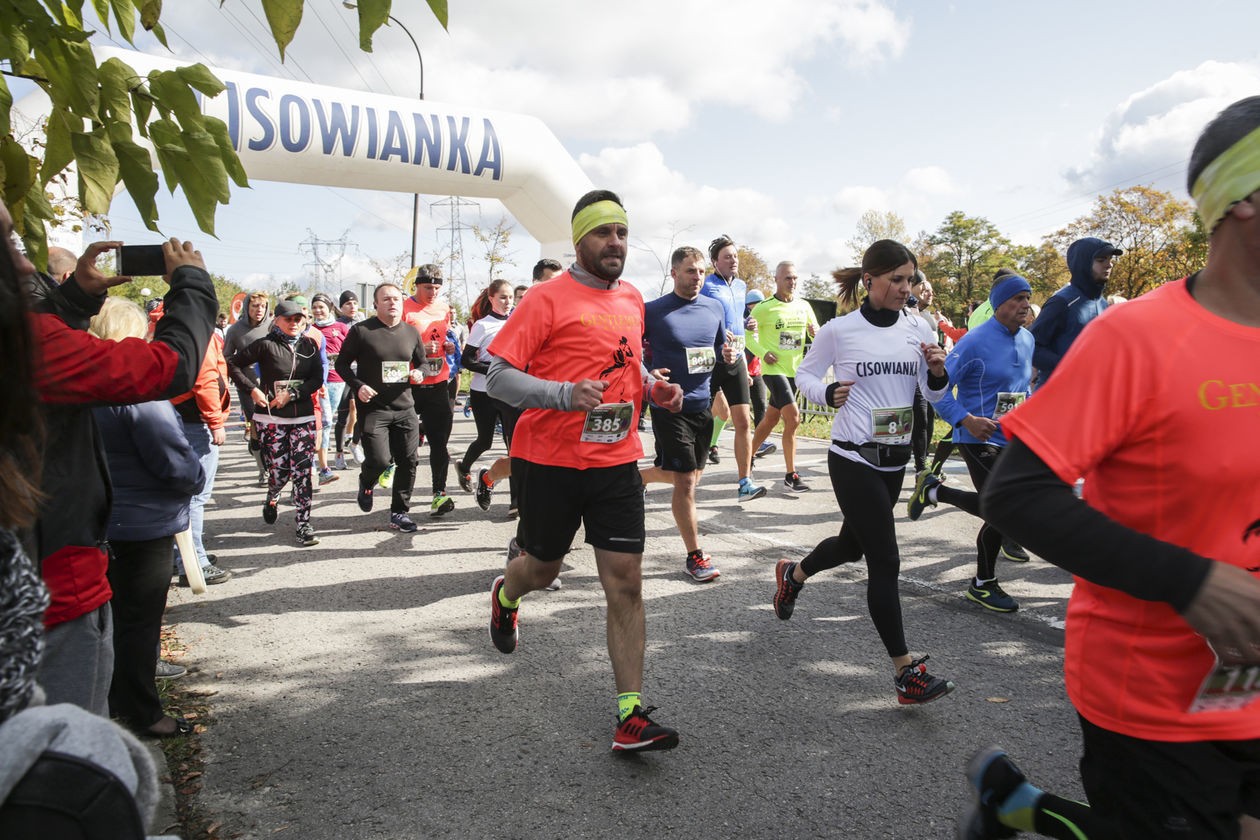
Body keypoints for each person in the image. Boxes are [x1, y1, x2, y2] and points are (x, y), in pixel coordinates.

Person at [958, 96, 1260, 840]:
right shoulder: (1139, 337)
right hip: (1154, 695)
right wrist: (1190, 581)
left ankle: (1017, 807)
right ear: (1245, 200)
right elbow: (1016, 495)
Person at [485, 189, 684, 752]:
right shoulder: (545, 298)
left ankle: (630, 715)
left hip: (616, 460)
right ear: (579, 240)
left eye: (621, 232)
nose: (615, 242)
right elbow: (497, 376)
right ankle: (507, 594)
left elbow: (626, 361)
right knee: (542, 571)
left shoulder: (632, 298)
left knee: (625, 581)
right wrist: (562, 394)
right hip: (549, 461)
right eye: (603, 233)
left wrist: (652, 387)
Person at [23, 219, 216, 716]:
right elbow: (171, 367)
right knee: (73, 729)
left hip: (67, 551)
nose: (23, 259)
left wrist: (72, 300)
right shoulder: (31, 346)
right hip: (62, 572)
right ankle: (137, 715)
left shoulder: (31, 341)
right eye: (9, 243)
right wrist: (193, 284)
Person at [774, 239, 955, 705]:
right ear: (869, 280)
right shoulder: (840, 330)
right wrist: (826, 392)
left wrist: (937, 372)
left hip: (894, 460)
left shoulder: (919, 326)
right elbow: (805, 376)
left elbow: (933, 394)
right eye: (896, 279)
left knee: (851, 546)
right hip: (853, 457)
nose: (905, 288)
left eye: (909, 279)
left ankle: (793, 574)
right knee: (885, 560)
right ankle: (905, 673)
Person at [90, 298, 204, 738]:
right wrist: (196, 478)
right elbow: (175, 463)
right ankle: (143, 714)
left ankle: (110, 700)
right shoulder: (138, 392)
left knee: (108, 620)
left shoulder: (80, 385)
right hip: (141, 523)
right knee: (138, 624)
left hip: (97, 519)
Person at [904, 274, 1034, 613]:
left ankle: (934, 491)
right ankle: (983, 583)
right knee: (1003, 509)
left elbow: (1023, 390)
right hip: (977, 438)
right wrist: (967, 420)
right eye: (1018, 298)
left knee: (1009, 508)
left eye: (1028, 298)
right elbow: (938, 391)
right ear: (999, 303)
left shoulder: (1028, 339)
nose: (1025, 305)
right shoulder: (975, 342)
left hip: (1012, 438)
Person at [639, 245, 734, 581]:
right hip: (669, 407)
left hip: (701, 406)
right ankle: (695, 556)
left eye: (701, 271)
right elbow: (629, 350)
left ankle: (638, 478)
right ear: (674, 273)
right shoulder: (652, 311)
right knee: (685, 482)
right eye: (690, 271)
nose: (697, 277)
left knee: (691, 477)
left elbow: (719, 350)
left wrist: (728, 356)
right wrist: (648, 373)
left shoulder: (714, 307)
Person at [227, 299, 325, 547]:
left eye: (298, 319)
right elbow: (232, 364)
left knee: (302, 471)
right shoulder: (265, 344)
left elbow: (317, 378)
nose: (294, 323)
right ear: (277, 321)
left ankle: (303, 524)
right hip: (272, 419)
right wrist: (252, 390)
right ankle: (273, 495)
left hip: (303, 417)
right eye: (288, 319)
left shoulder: (310, 345)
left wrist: (292, 394)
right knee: (280, 472)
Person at [335, 283, 430, 532]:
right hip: (374, 408)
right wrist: (358, 386)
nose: (392, 303)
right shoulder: (361, 331)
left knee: (409, 461)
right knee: (379, 460)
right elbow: (341, 365)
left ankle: (400, 512)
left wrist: (420, 373)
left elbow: (423, 363)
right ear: (376, 304)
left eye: (396, 299)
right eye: (386, 299)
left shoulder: (411, 332)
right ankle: (366, 482)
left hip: (405, 408)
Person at [700, 235, 768, 501]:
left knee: (743, 421)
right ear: (715, 262)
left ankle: (745, 482)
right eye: (727, 257)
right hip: (712, 361)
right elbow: (699, 317)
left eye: (735, 256)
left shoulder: (741, 286)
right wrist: (718, 339)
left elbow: (734, 315)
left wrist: (747, 321)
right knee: (699, 421)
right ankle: (676, 471)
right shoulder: (706, 285)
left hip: (737, 358)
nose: (733, 260)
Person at [745, 260, 819, 492]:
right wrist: (763, 353)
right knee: (794, 418)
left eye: (795, 278)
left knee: (771, 419)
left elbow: (817, 335)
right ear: (776, 279)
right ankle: (791, 475)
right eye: (787, 278)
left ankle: (748, 457)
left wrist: (815, 333)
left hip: (794, 371)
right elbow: (747, 337)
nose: (792, 282)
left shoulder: (804, 306)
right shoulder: (763, 308)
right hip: (773, 370)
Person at [169, 322, 233, 586]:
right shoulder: (197, 333)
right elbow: (205, 379)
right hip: (196, 421)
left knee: (182, 495)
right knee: (195, 495)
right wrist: (215, 422)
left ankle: (182, 556)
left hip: (177, 415)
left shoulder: (168, 327)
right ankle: (194, 563)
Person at [1028, 237, 1122, 386]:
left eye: (1110, 259)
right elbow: (1032, 346)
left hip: (1092, 392)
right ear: (1083, 263)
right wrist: (1067, 366)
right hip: (1059, 393)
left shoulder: (1104, 304)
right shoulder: (1061, 302)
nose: (1109, 265)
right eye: (1101, 260)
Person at [402, 264, 457, 516]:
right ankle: (401, 500)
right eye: (427, 288)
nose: (433, 293)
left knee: (439, 443)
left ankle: (439, 494)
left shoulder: (443, 309)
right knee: (406, 448)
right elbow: (394, 346)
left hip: (438, 383)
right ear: (416, 286)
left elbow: (444, 338)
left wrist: (448, 347)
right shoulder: (404, 308)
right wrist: (420, 349)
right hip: (410, 385)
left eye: (436, 288)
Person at [455, 280, 514, 502]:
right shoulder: (483, 325)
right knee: (485, 441)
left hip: (509, 390)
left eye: (510, 297)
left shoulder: (517, 321)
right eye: (502, 297)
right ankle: (464, 467)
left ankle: (515, 502)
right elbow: (467, 360)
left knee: (512, 446)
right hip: (484, 391)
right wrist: (494, 369)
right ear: (491, 299)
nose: (508, 302)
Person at [223, 291, 273, 484]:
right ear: (246, 308)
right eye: (255, 306)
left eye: (263, 306)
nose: (259, 310)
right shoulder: (235, 330)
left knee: (272, 427)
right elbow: (227, 358)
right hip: (247, 384)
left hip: (271, 382)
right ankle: (263, 469)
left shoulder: (273, 326)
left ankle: (270, 462)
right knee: (256, 425)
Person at [312, 293, 349, 484]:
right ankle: (318, 465)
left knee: (327, 422)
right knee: (320, 422)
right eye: (315, 307)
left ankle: (320, 465)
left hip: (336, 380)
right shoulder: (309, 329)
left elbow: (351, 351)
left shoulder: (341, 327)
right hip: (315, 381)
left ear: (330, 308)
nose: (318, 310)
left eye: (321, 307)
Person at [335, 290, 363, 466]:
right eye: (347, 304)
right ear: (341, 307)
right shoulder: (336, 325)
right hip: (343, 373)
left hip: (360, 372)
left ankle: (354, 444)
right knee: (343, 414)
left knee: (362, 411)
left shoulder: (363, 324)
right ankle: (339, 453)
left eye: (354, 303)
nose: (352, 306)